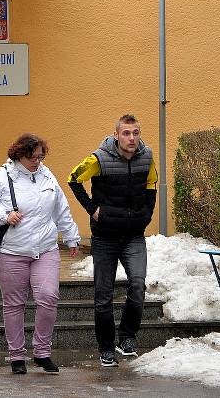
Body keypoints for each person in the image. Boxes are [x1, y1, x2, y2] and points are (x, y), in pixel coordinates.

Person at [0, 133, 80, 375]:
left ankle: (42, 352)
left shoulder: (46, 175)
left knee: (49, 296)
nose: (37, 162)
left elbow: (61, 208)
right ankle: (17, 356)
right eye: (32, 157)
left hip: (45, 248)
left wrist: (71, 236)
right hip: (10, 251)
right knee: (14, 304)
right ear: (19, 155)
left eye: (41, 157)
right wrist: (4, 215)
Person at [67, 114, 157, 367]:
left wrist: (146, 215)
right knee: (103, 295)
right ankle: (106, 348)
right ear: (116, 134)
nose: (131, 138)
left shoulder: (147, 156)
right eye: (126, 133)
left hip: (133, 236)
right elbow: (73, 178)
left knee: (138, 286)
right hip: (105, 237)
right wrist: (93, 210)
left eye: (135, 133)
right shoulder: (98, 158)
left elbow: (152, 184)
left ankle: (126, 338)